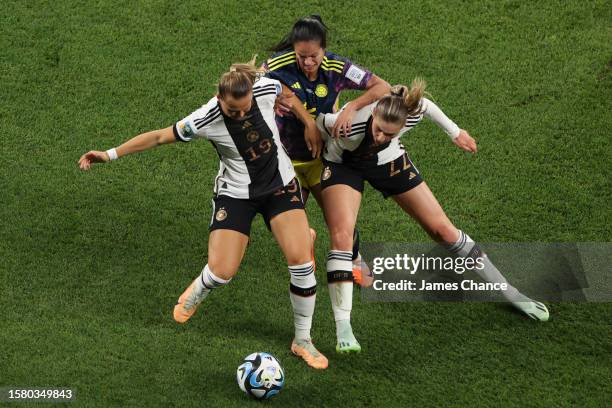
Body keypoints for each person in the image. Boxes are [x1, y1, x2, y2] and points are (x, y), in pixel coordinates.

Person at [78, 61, 329, 369]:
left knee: (302, 263)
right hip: (236, 195)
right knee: (222, 272)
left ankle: (302, 340)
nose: (240, 115)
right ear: (220, 98)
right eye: (233, 110)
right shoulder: (206, 117)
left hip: (280, 186)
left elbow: (286, 94)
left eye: (244, 108)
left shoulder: (265, 87)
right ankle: (199, 289)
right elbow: (159, 137)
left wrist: (308, 122)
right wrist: (110, 154)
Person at [316, 79, 550, 353]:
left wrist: (455, 132)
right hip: (344, 166)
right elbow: (318, 123)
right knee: (342, 235)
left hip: (388, 163)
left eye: (389, 134)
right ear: (375, 114)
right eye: (379, 130)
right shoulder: (350, 123)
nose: (380, 136)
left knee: (444, 231)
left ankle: (511, 292)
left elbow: (425, 106)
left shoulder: (405, 117)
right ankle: (344, 326)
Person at [264, 15, 389, 286]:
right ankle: (305, 237)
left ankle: (354, 258)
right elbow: (248, 82)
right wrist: (300, 116)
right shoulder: (278, 65)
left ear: (324, 49)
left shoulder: (337, 67)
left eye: (313, 56)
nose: (308, 62)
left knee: (340, 219)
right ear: (293, 50)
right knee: (277, 222)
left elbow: (382, 87)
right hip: (286, 160)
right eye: (301, 56)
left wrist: (352, 108)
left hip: (323, 159)